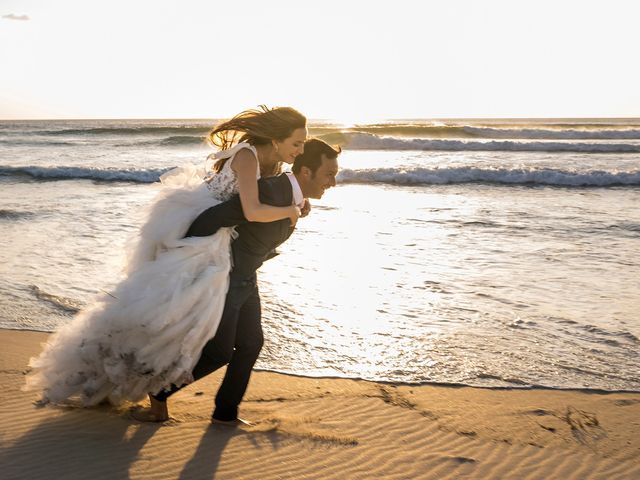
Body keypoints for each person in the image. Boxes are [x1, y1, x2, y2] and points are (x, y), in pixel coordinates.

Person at [24, 106, 311, 407]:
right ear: (276, 139)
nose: (300, 149)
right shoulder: (248, 156)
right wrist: (289, 211)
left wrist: (297, 204)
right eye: (297, 143)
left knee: (191, 317)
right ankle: (118, 371)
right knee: (168, 313)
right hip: (201, 228)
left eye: (303, 143)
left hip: (223, 234)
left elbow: (264, 203)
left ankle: (154, 385)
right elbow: (253, 211)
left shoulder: (274, 165)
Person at [138, 138, 341, 423]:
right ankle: (160, 392)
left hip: (246, 276)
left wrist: (298, 208)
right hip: (226, 278)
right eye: (329, 174)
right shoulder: (272, 191)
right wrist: (190, 255)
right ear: (306, 172)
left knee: (251, 343)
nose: (333, 182)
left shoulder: (293, 196)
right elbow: (212, 218)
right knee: (220, 352)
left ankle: (225, 412)